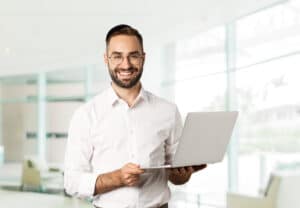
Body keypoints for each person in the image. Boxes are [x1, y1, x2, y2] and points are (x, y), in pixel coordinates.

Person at [64, 24, 207, 208]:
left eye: (133, 55)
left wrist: (182, 175)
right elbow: (72, 182)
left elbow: (175, 174)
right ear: (106, 59)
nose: (126, 64)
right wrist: (117, 178)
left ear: (143, 58)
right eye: (117, 56)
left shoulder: (168, 111)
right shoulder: (85, 115)